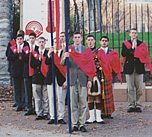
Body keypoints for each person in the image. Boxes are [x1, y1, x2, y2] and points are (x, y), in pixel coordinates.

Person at [61, 32, 94, 132]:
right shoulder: (68, 49)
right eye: (75, 37)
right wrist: (65, 57)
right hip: (72, 79)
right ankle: (74, 123)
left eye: (79, 37)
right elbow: (62, 63)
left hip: (83, 79)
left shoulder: (86, 50)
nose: (77, 39)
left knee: (83, 103)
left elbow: (90, 65)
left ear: (81, 39)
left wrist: (89, 80)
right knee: (73, 103)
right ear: (73, 39)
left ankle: (82, 123)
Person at [121, 28, 152, 113]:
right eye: (132, 33)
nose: (134, 34)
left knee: (139, 88)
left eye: (135, 33)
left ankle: (138, 105)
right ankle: (131, 105)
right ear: (129, 34)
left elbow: (145, 54)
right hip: (129, 68)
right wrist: (132, 48)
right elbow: (123, 53)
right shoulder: (125, 43)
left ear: (137, 34)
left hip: (139, 67)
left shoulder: (141, 43)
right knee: (130, 88)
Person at [97, 36, 122, 119]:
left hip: (110, 76)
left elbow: (116, 64)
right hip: (100, 76)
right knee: (100, 95)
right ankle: (101, 112)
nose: (104, 42)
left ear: (108, 42)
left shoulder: (112, 52)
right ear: (100, 42)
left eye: (106, 41)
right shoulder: (97, 52)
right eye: (103, 40)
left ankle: (109, 112)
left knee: (109, 95)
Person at [46, 33, 67, 124]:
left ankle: (60, 116)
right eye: (54, 42)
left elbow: (66, 66)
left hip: (61, 78)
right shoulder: (50, 53)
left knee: (61, 98)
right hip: (51, 78)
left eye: (58, 42)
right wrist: (48, 55)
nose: (56, 44)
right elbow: (46, 63)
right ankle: (52, 116)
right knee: (51, 97)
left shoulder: (64, 52)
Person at [85, 35, 105, 124]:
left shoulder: (99, 52)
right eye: (88, 40)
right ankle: (91, 117)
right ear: (86, 41)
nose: (90, 42)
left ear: (94, 41)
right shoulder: (84, 52)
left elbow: (104, 62)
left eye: (92, 40)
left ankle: (99, 117)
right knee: (89, 97)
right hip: (86, 77)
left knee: (97, 97)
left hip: (97, 76)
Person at [30, 36, 49, 120]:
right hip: (36, 77)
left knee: (45, 97)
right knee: (37, 97)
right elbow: (32, 64)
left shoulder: (47, 53)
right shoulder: (34, 53)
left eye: (43, 42)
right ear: (38, 43)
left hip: (44, 77)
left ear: (45, 43)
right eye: (40, 42)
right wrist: (39, 60)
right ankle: (39, 113)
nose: (41, 44)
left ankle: (45, 112)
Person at [7, 34, 26, 111]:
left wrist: (21, 53)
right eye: (18, 39)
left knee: (23, 88)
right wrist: (17, 54)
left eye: (21, 39)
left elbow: (27, 57)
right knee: (17, 88)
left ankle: (24, 104)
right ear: (16, 40)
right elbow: (9, 57)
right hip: (15, 70)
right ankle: (18, 104)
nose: (20, 40)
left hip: (23, 70)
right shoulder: (12, 47)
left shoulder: (26, 46)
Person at [22, 32, 37, 115]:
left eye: (33, 38)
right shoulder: (25, 49)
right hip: (26, 72)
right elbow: (23, 59)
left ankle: (36, 108)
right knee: (28, 91)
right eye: (30, 38)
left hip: (35, 73)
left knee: (35, 91)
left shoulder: (37, 48)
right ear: (28, 39)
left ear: (35, 39)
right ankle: (29, 108)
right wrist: (28, 53)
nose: (31, 40)